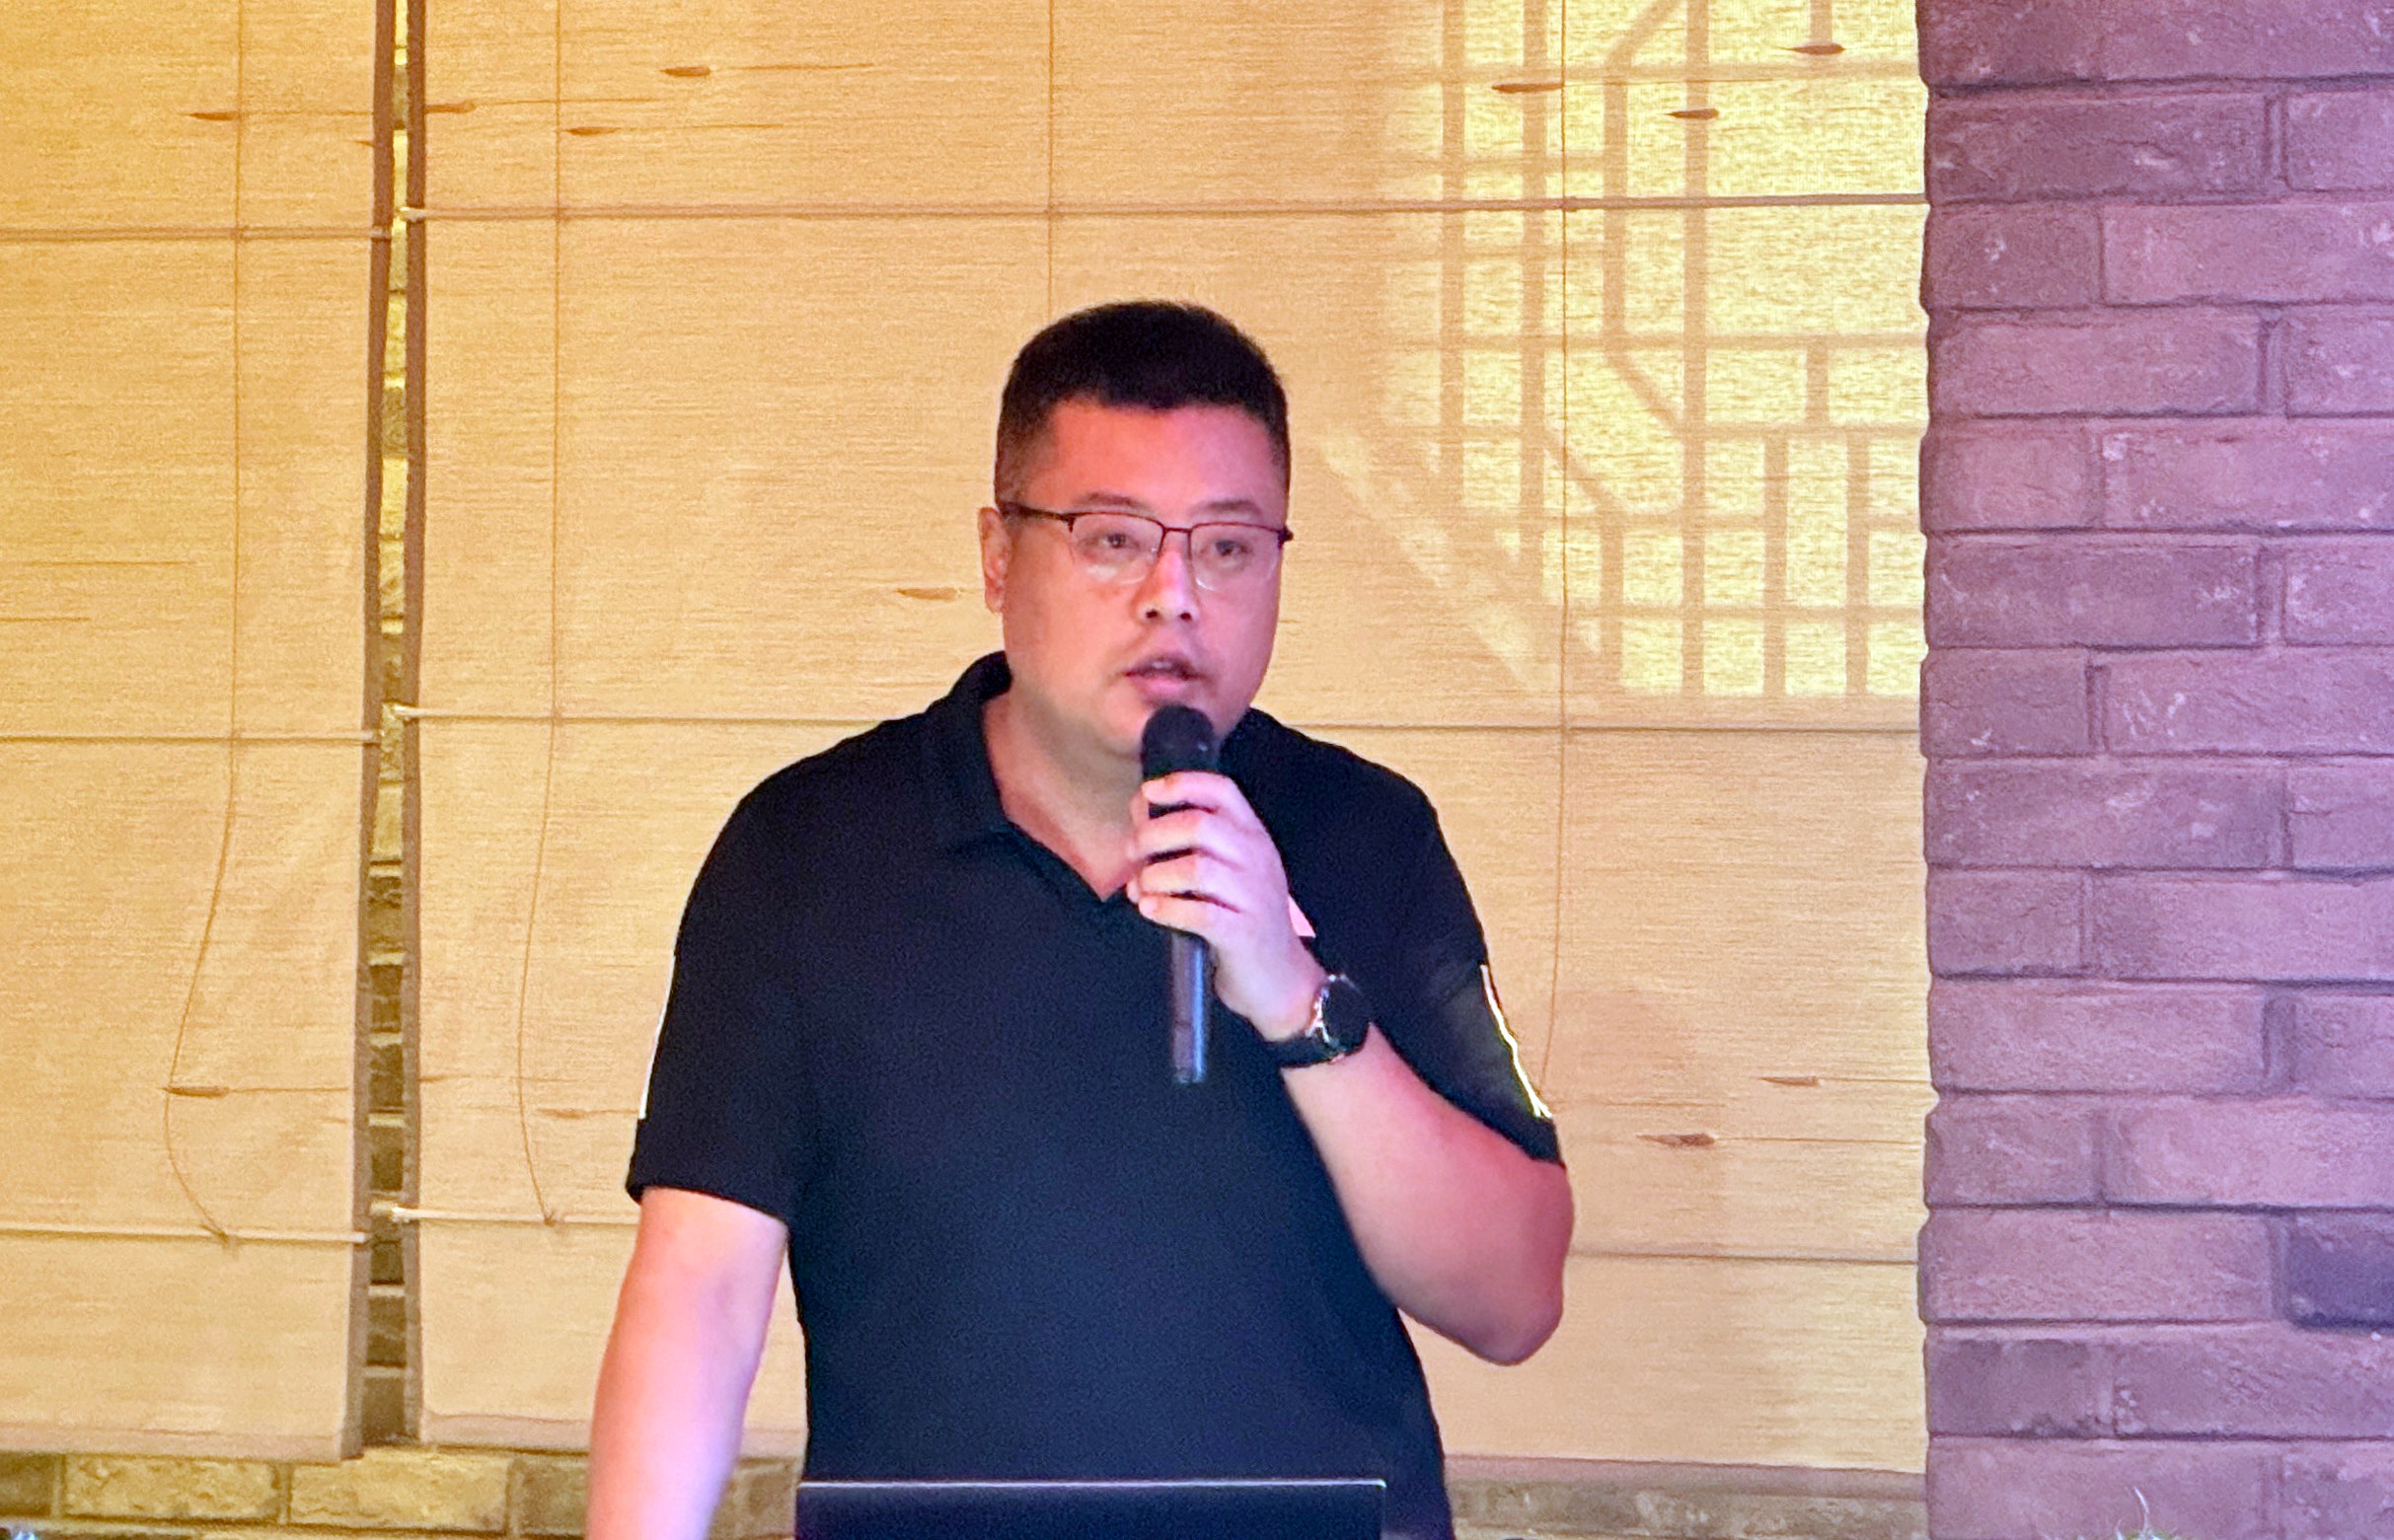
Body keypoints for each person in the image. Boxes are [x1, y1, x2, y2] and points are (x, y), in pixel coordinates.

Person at [586, 301, 1573, 1540]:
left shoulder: (1364, 832)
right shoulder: (806, 851)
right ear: (998, 556)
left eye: (1227, 547)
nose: (1174, 597)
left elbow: (1511, 1298)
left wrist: (1293, 993)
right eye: (1112, 539)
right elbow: (700, 1287)